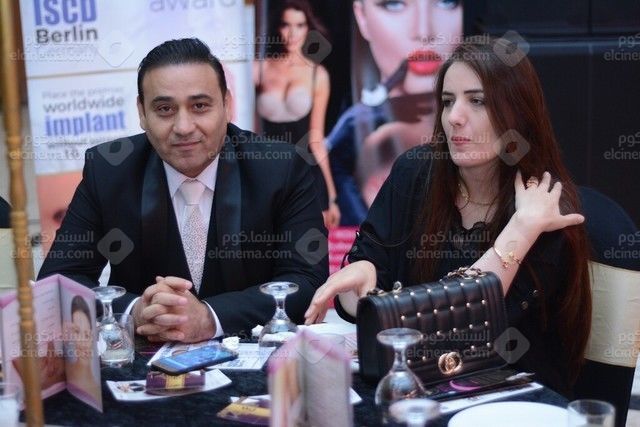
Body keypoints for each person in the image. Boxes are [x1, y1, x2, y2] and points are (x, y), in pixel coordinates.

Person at [305, 38, 592, 397]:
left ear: (518, 113)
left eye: (477, 101)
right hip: (423, 386)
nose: (454, 116)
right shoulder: (415, 173)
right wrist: (361, 280)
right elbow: (363, 297)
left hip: (517, 397)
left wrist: (521, 228)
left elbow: (466, 334)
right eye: (447, 101)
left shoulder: (543, 207)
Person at [38, 38, 328, 343]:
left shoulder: (281, 168)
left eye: (200, 106)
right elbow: (57, 283)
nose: (184, 127)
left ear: (227, 105)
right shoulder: (108, 172)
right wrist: (134, 311)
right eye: (164, 109)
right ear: (142, 112)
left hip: (258, 357)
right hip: (145, 360)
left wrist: (210, 318)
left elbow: (306, 281)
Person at [328, 0, 462, 225]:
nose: (424, 32)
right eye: (393, 4)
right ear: (362, 17)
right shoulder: (355, 124)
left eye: (446, 2)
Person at [254, 0, 340, 229]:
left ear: (308, 28)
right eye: (286, 25)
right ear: (277, 27)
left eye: (299, 25)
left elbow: (316, 140)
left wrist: (332, 196)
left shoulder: (318, 75)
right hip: (267, 171)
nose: (292, 33)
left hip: (308, 174)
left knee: (307, 246)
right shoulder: (258, 69)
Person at [65, 296, 101, 403]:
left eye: (87, 335)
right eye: (76, 332)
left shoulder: (97, 385)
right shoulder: (65, 375)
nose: (83, 342)